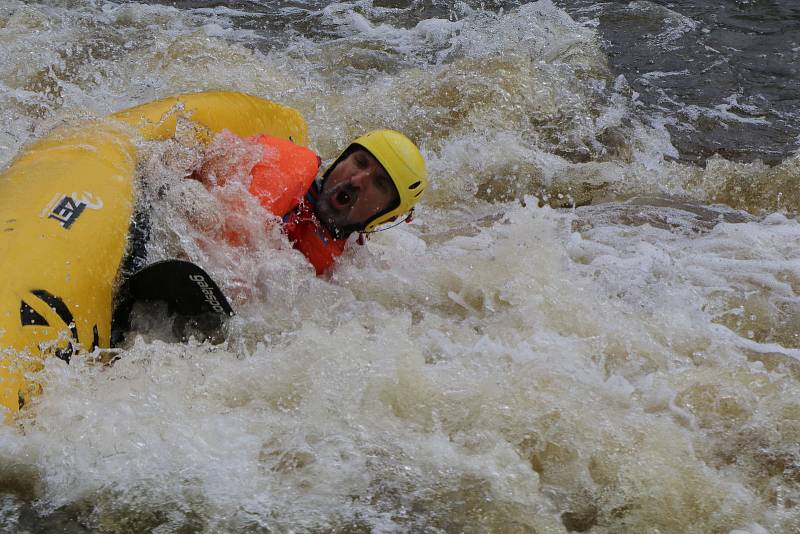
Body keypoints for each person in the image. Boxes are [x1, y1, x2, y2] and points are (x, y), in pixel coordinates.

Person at [191, 129, 429, 274]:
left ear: (387, 215)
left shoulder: (344, 268)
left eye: (379, 183)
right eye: (360, 162)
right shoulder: (289, 166)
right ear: (342, 159)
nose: (357, 180)